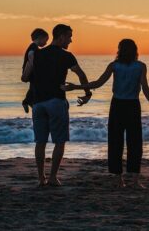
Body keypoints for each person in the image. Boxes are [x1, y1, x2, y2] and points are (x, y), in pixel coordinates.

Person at [62, 39, 149, 188]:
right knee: (135, 142)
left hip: (118, 105)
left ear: (119, 50)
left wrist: (77, 87)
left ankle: (118, 179)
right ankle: (134, 180)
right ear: (135, 50)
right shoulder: (140, 66)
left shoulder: (115, 65)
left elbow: (98, 83)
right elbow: (145, 88)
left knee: (115, 141)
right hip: (132, 105)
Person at [23, 24, 92, 187]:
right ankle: (53, 177)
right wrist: (87, 94)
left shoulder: (36, 54)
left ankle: (41, 178)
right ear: (61, 37)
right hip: (56, 101)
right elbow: (81, 74)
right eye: (69, 37)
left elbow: (25, 77)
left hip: (38, 103)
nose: (71, 40)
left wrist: (31, 64)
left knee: (40, 142)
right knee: (59, 141)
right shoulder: (66, 56)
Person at [21, 28, 49, 113]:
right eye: (45, 40)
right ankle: (27, 102)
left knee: (33, 87)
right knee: (34, 87)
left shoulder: (34, 47)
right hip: (31, 71)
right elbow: (31, 54)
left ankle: (27, 101)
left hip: (31, 71)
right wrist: (33, 64)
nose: (46, 43)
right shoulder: (33, 47)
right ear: (40, 38)